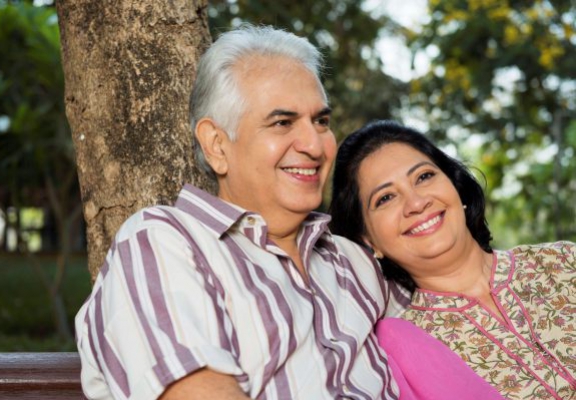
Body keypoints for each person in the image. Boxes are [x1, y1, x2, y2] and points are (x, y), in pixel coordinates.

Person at [75, 25, 417, 400]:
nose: (314, 145)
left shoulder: (354, 262)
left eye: (321, 121)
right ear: (216, 145)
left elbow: (451, 313)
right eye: (282, 123)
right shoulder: (163, 242)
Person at [329, 120, 576, 400]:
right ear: (367, 240)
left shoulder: (563, 260)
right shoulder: (404, 353)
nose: (416, 203)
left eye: (423, 177)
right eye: (385, 198)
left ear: (455, 185)